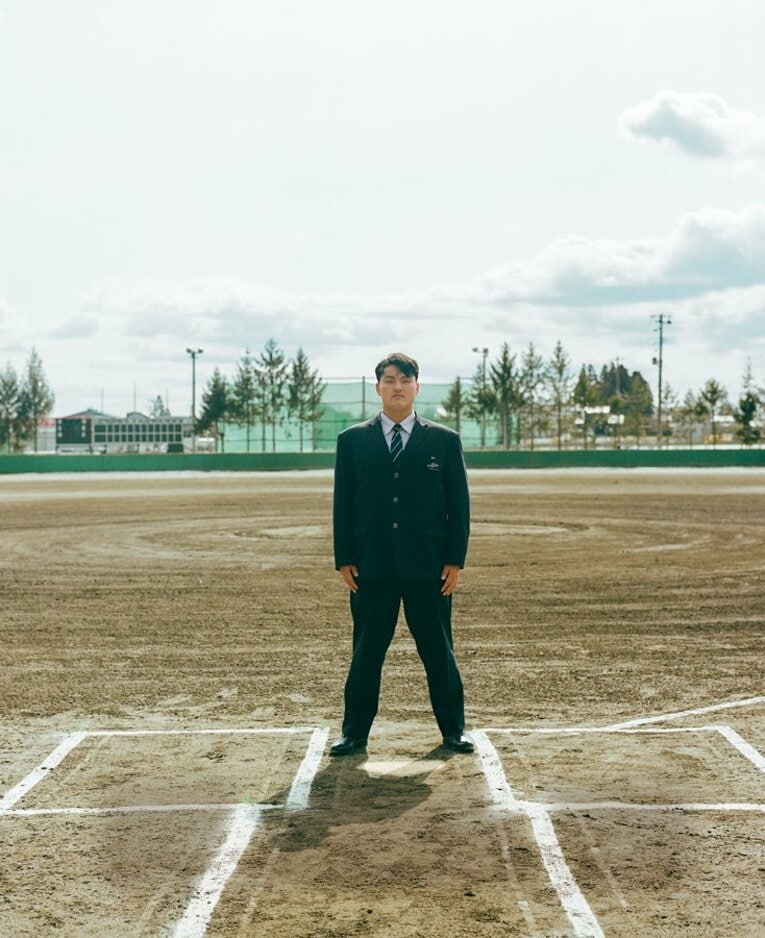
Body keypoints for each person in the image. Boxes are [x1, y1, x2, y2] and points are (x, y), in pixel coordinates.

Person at [330, 352, 473, 756]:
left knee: (438, 650)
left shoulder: (443, 441)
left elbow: (458, 505)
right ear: (377, 387)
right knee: (366, 652)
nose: (397, 386)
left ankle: (453, 730)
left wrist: (455, 560)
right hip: (371, 565)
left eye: (405, 380)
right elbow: (344, 503)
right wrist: (344, 557)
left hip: (428, 567)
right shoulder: (353, 440)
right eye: (389, 380)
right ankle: (354, 733)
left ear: (416, 387)